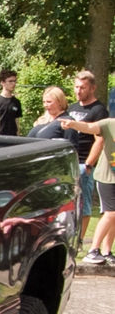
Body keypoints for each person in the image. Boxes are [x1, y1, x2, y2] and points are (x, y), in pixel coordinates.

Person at [61, 109, 115, 265]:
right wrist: (72, 124)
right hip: (107, 177)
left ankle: (106, 251)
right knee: (111, 213)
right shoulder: (109, 124)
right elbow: (89, 127)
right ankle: (92, 250)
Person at [64, 69, 108, 237]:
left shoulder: (98, 110)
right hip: (69, 161)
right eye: (76, 87)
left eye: (82, 87)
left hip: (84, 162)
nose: (78, 90)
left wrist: (89, 164)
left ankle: (80, 239)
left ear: (92, 88)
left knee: (84, 204)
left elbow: (100, 139)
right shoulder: (72, 108)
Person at [0, 68, 21, 135]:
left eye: (15, 81)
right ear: (2, 82)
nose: (13, 84)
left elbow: (17, 122)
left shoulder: (16, 102)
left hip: (12, 138)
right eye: (10, 81)